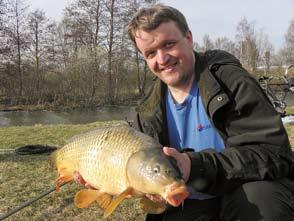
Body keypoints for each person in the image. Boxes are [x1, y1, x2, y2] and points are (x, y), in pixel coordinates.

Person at [75, 4, 294, 221]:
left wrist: (194, 166)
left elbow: (274, 153)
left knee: (264, 201)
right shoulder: (146, 110)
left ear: (188, 38)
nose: (162, 59)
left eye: (169, 44)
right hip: (188, 201)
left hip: (243, 190)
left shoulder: (231, 81)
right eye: (151, 53)